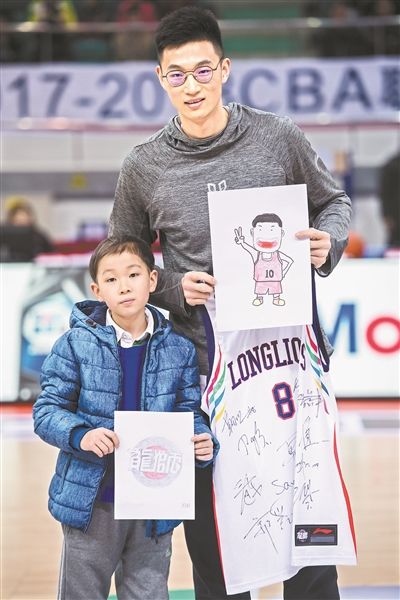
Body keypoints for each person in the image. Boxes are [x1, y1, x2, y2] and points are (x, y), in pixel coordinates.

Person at [109, 6, 353, 599]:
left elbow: (334, 202)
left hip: (288, 362)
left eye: (202, 71)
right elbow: (123, 263)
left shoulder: (277, 136)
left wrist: (328, 241)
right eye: (176, 74)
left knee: (306, 525)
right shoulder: (143, 166)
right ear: (160, 78)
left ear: (224, 69)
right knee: (215, 541)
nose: (191, 86)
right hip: (201, 372)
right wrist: (173, 287)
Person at [33, 235, 218, 600]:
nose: (124, 286)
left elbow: (188, 411)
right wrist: (81, 435)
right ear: (97, 290)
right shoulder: (73, 344)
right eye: (111, 279)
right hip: (92, 502)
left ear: (152, 280)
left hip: (154, 503)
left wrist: (202, 439)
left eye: (133, 275)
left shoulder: (179, 349)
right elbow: (46, 411)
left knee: (148, 593)